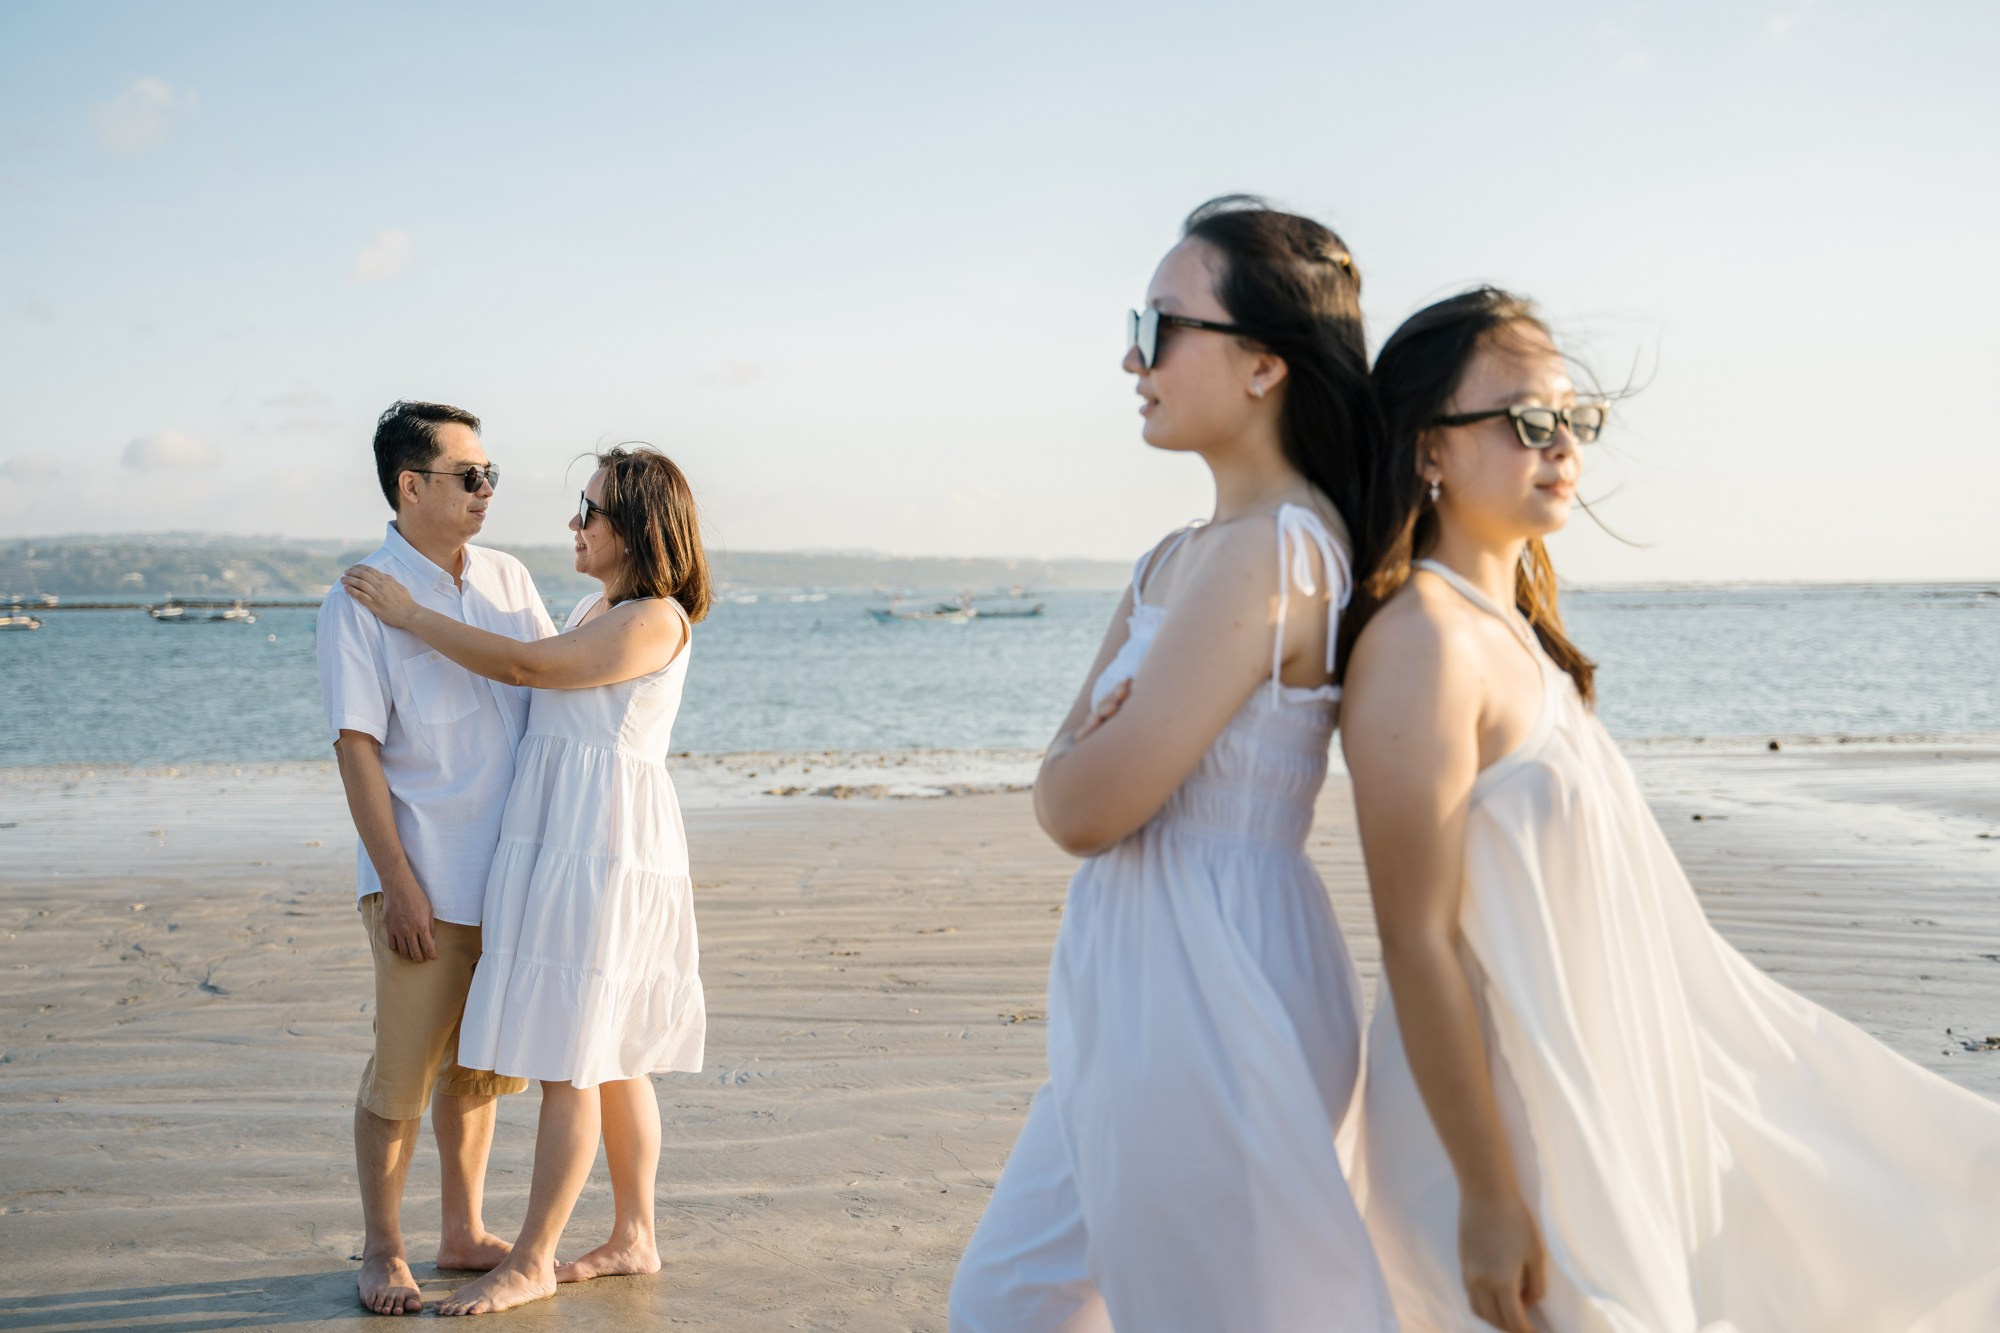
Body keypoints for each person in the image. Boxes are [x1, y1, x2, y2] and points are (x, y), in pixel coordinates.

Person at [1341, 287, 2000, 1332]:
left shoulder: (1516, 636)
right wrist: (1486, 1192)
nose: (1564, 445)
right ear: (1429, 447)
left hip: (1597, 1097)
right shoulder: (1422, 644)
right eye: (1528, 420)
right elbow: (1414, 941)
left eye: (1575, 417)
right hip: (1501, 1123)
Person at [948, 197, 1398, 1332]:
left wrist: (1082, 754)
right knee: (1012, 1295)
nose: (1130, 359)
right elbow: (1066, 792)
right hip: (1141, 971)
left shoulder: (1275, 553)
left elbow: (1082, 806)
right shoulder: (1174, 559)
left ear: (1263, 364)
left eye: (1156, 328)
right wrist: (1079, 762)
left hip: (1217, 974)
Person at [340, 445, 709, 1317]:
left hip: (603, 848)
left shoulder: (653, 618)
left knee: (577, 1056)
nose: (574, 523)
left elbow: (525, 668)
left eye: (591, 510)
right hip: (573, 840)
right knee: (609, 1054)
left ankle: (534, 1257)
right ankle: (634, 1233)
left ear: (638, 528)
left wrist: (411, 614)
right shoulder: (594, 606)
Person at [317, 400, 557, 1316]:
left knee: (480, 1068)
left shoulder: (507, 577)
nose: (487, 489)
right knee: (401, 1075)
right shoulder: (359, 599)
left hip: (511, 873)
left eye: (491, 473)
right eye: (469, 475)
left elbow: (547, 682)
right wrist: (398, 882)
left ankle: (463, 1228)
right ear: (410, 486)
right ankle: (383, 1248)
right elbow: (357, 748)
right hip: (424, 874)